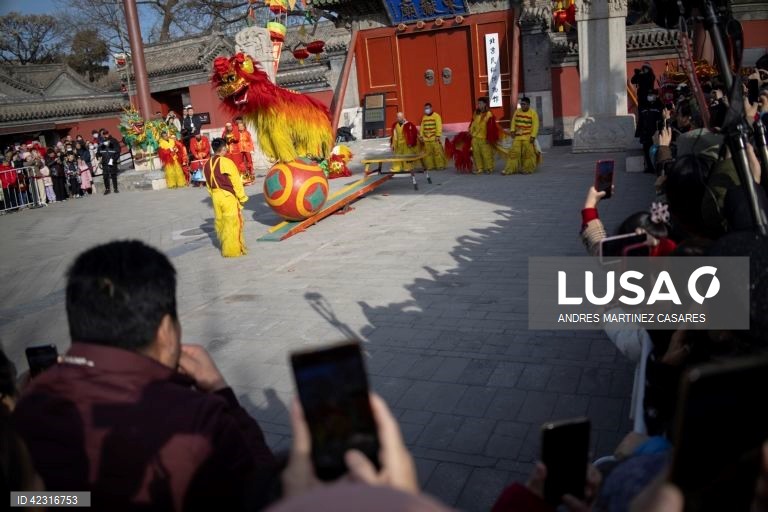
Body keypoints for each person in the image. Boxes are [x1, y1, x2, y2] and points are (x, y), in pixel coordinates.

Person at [13, 241, 278, 511]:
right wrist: (221, 393)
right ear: (165, 330)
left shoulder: (28, 408)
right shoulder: (200, 422)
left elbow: (26, 499)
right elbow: (269, 494)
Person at [204, 138, 249, 258]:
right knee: (233, 223)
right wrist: (242, 197)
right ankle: (232, 250)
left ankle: (225, 246)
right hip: (227, 196)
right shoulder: (226, 162)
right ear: (224, 148)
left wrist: (214, 195)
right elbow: (236, 181)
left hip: (215, 196)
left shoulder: (206, 164)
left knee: (222, 223)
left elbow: (208, 185)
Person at [504, 96, 541, 175]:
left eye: (524, 104)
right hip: (518, 136)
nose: (522, 106)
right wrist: (512, 131)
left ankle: (527, 169)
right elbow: (513, 122)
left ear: (528, 105)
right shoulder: (517, 112)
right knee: (514, 153)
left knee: (528, 154)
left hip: (528, 137)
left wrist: (533, 136)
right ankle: (510, 169)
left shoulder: (533, 113)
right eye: (521, 104)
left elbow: (536, 125)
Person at [469, 97, 499, 174]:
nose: (478, 105)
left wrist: (489, 138)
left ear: (485, 104)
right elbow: (472, 123)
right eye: (478, 103)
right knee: (476, 153)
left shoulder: (489, 114)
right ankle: (479, 168)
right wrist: (470, 131)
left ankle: (489, 168)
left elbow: (491, 128)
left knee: (486, 154)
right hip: (475, 137)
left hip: (484, 137)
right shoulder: (476, 112)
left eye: (480, 103)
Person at [419, 103, 446, 171]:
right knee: (428, 154)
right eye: (425, 108)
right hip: (426, 139)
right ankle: (430, 166)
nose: (426, 110)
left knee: (437, 152)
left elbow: (439, 126)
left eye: (428, 108)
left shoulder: (436, 116)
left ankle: (440, 166)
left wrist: (438, 135)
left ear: (431, 108)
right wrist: (421, 136)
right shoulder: (424, 117)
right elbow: (422, 127)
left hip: (434, 138)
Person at [236, 118, 255, 183]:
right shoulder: (237, 133)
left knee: (249, 162)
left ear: (244, 126)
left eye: (242, 126)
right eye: (239, 126)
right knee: (241, 163)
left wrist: (252, 149)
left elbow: (250, 141)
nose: (240, 127)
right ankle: (244, 177)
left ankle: (251, 175)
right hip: (240, 149)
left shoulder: (247, 133)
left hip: (247, 149)